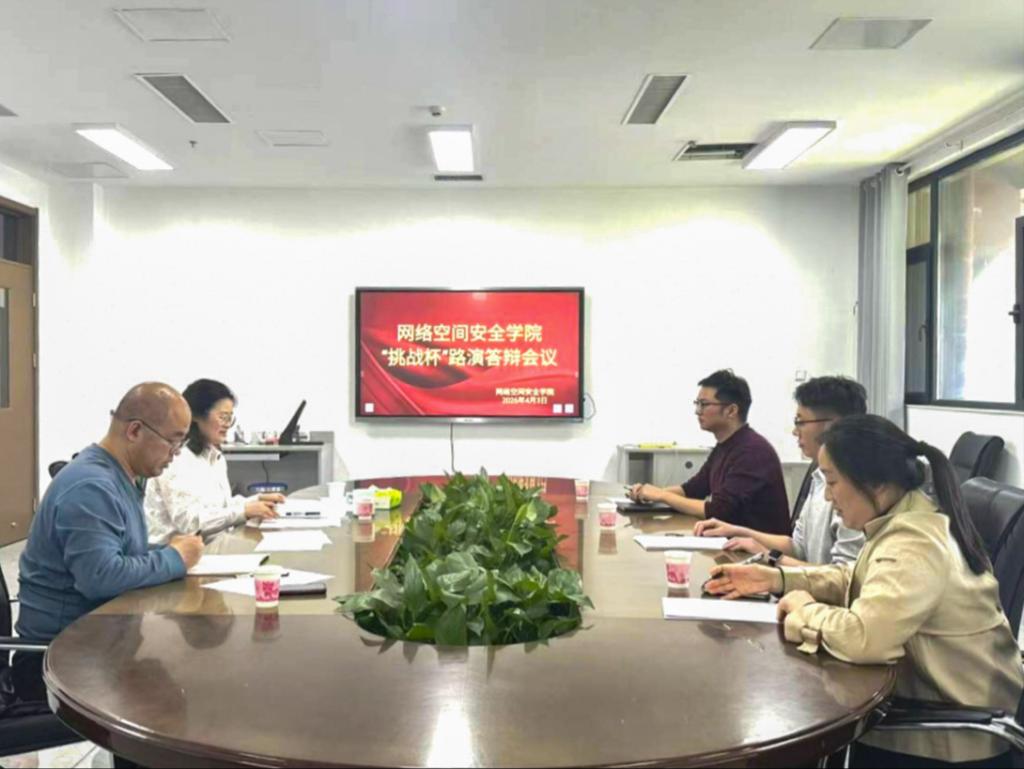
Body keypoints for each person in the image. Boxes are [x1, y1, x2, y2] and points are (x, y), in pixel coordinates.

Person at [706, 415, 1023, 767]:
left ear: (876, 484)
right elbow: (856, 578)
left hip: (946, 739)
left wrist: (803, 608)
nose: (827, 496)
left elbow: (864, 639)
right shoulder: (903, 520)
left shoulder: (914, 543)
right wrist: (777, 579)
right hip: (923, 708)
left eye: (832, 481)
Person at [10, 383, 204, 703]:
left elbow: (120, 552)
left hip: (96, 642)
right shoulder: (91, 486)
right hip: (57, 660)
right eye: (173, 441)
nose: (176, 453)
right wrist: (173, 558)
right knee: (175, 696)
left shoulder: (120, 477)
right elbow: (100, 577)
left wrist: (170, 552)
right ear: (135, 431)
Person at [694, 376, 866, 567]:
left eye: (800, 422)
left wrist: (772, 557)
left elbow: (844, 577)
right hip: (801, 582)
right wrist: (737, 531)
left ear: (832, 426)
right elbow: (798, 547)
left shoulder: (857, 489)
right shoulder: (819, 476)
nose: (795, 431)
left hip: (812, 587)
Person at [629, 369, 790, 534]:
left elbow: (718, 511)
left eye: (704, 404)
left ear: (731, 411)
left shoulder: (753, 452)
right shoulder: (725, 445)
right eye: (697, 404)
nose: (697, 411)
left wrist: (662, 496)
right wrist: (648, 494)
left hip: (756, 547)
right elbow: (692, 490)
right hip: (731, 540)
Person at [145, 379, 283, 545]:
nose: (227, 425)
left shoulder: (215, 457)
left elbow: (221, 507)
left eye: (230, 418)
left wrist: (256, 500)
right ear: (196, 416)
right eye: (223, 417)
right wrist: (243, 511)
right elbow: (190, 522)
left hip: (210, 547)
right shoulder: (177, 459)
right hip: (173, 554)